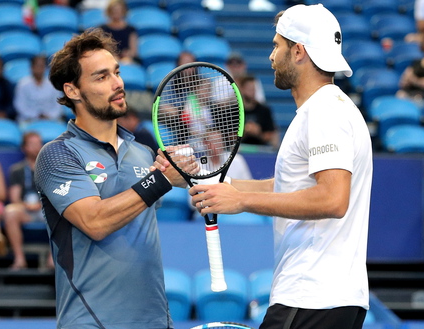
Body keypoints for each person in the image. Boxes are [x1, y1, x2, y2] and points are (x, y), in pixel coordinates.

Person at [156, 4, 373, 329]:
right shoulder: (329, 108)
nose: (271, 56)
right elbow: (287, 186)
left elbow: (332, 199)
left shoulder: (325, 112)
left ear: (298, 51)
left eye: (276, 46)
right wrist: (209, 183)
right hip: (326, 296)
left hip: (312, 296)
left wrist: (242, 202)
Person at [34, 28, 186, 328]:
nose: (118, 84)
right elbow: (96, 222)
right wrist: (162, 180)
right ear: (73, 91)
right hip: (91, 321)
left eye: (116, 73)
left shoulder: (143, 152)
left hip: (155, 321)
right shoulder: (57, 154)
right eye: (101, 77)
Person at [3, 132, 51, 270]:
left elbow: (57, 194)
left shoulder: (50, 168)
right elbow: (14, 198)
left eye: (38, 144)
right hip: (26, 210)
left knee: (62, 211)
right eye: (32, 144)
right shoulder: (17, 170)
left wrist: (41, 204)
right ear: (24, 147)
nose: (36, 147)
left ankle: (52, 259)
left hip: (46, 209)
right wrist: (27, 206)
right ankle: (19, 258)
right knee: (10, 212)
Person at [13, 55, 64, 126]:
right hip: (28, 120)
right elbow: (20, 105)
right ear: (31, 67)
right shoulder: (23, 84)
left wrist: (49, 116)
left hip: (51, 119)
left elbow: (59, 104)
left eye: (42, 66)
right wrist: (36, 116)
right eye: (37, 66)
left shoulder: (53, 84)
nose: (39, 69)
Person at [397, 30, 424, 103]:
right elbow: (405, 80)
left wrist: (418, 82)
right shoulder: (417, 62)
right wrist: (406, 79)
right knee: (400, 95)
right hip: (412, 93)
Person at [237, 75, 279, 149]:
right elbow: (228, 137)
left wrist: (258, 133)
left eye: (254, 89)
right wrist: (244, 132)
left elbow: (271, 134)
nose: (252, 92)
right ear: (242, 89)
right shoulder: (234, 111)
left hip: (261, 150)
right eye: (249, 89)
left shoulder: (264, 110)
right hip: (238, 151)